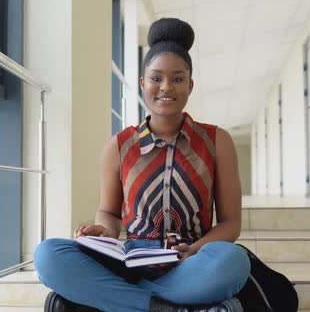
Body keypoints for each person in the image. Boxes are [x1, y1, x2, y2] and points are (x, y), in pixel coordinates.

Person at [34, 18, 250, 312]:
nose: (166, 87)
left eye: (177, 78)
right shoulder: (120, 145)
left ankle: (125, 301)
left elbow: (230, 224)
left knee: (233, 262)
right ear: (142, 83)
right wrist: (102, 231)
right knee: (48, 255)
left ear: (190, 85)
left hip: (190, 263)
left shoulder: (216, 140)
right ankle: (167, 307)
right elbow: (109, 213)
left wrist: (196, 249)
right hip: (131, 262)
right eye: (156, 78)